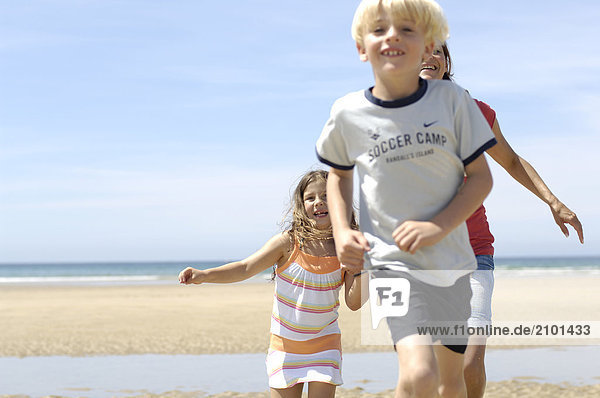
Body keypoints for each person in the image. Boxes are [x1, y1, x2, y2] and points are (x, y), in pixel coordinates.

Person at [316, 1, 496, 396]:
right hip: (391, 265)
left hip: (453, 265)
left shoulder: (454, 104)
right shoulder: (348, 113)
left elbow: (482, 178)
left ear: (429, 45)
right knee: (418, 375)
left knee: (452, 381)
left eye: (407, 30)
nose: (393, 35)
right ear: (362, 48)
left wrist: (439, 225)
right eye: (379, 30)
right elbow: (338, 176)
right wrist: (344, 231)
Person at [420, 41, 585, 398]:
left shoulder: (474, 112)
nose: (429, 57)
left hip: (474, 250)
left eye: (438, 51)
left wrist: (552, 201)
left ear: (447, 63)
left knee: (469, 357)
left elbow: (510, 161)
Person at [178, 169, 364, 398]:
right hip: (285, 347)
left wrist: (361, 270)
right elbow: (245, 268)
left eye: (326, 196)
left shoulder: (346, 247)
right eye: (311, 198)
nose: (319, 202)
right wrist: (205, 275)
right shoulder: (287, 242)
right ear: (301, 204)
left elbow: (354, 303)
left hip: (324, 344)